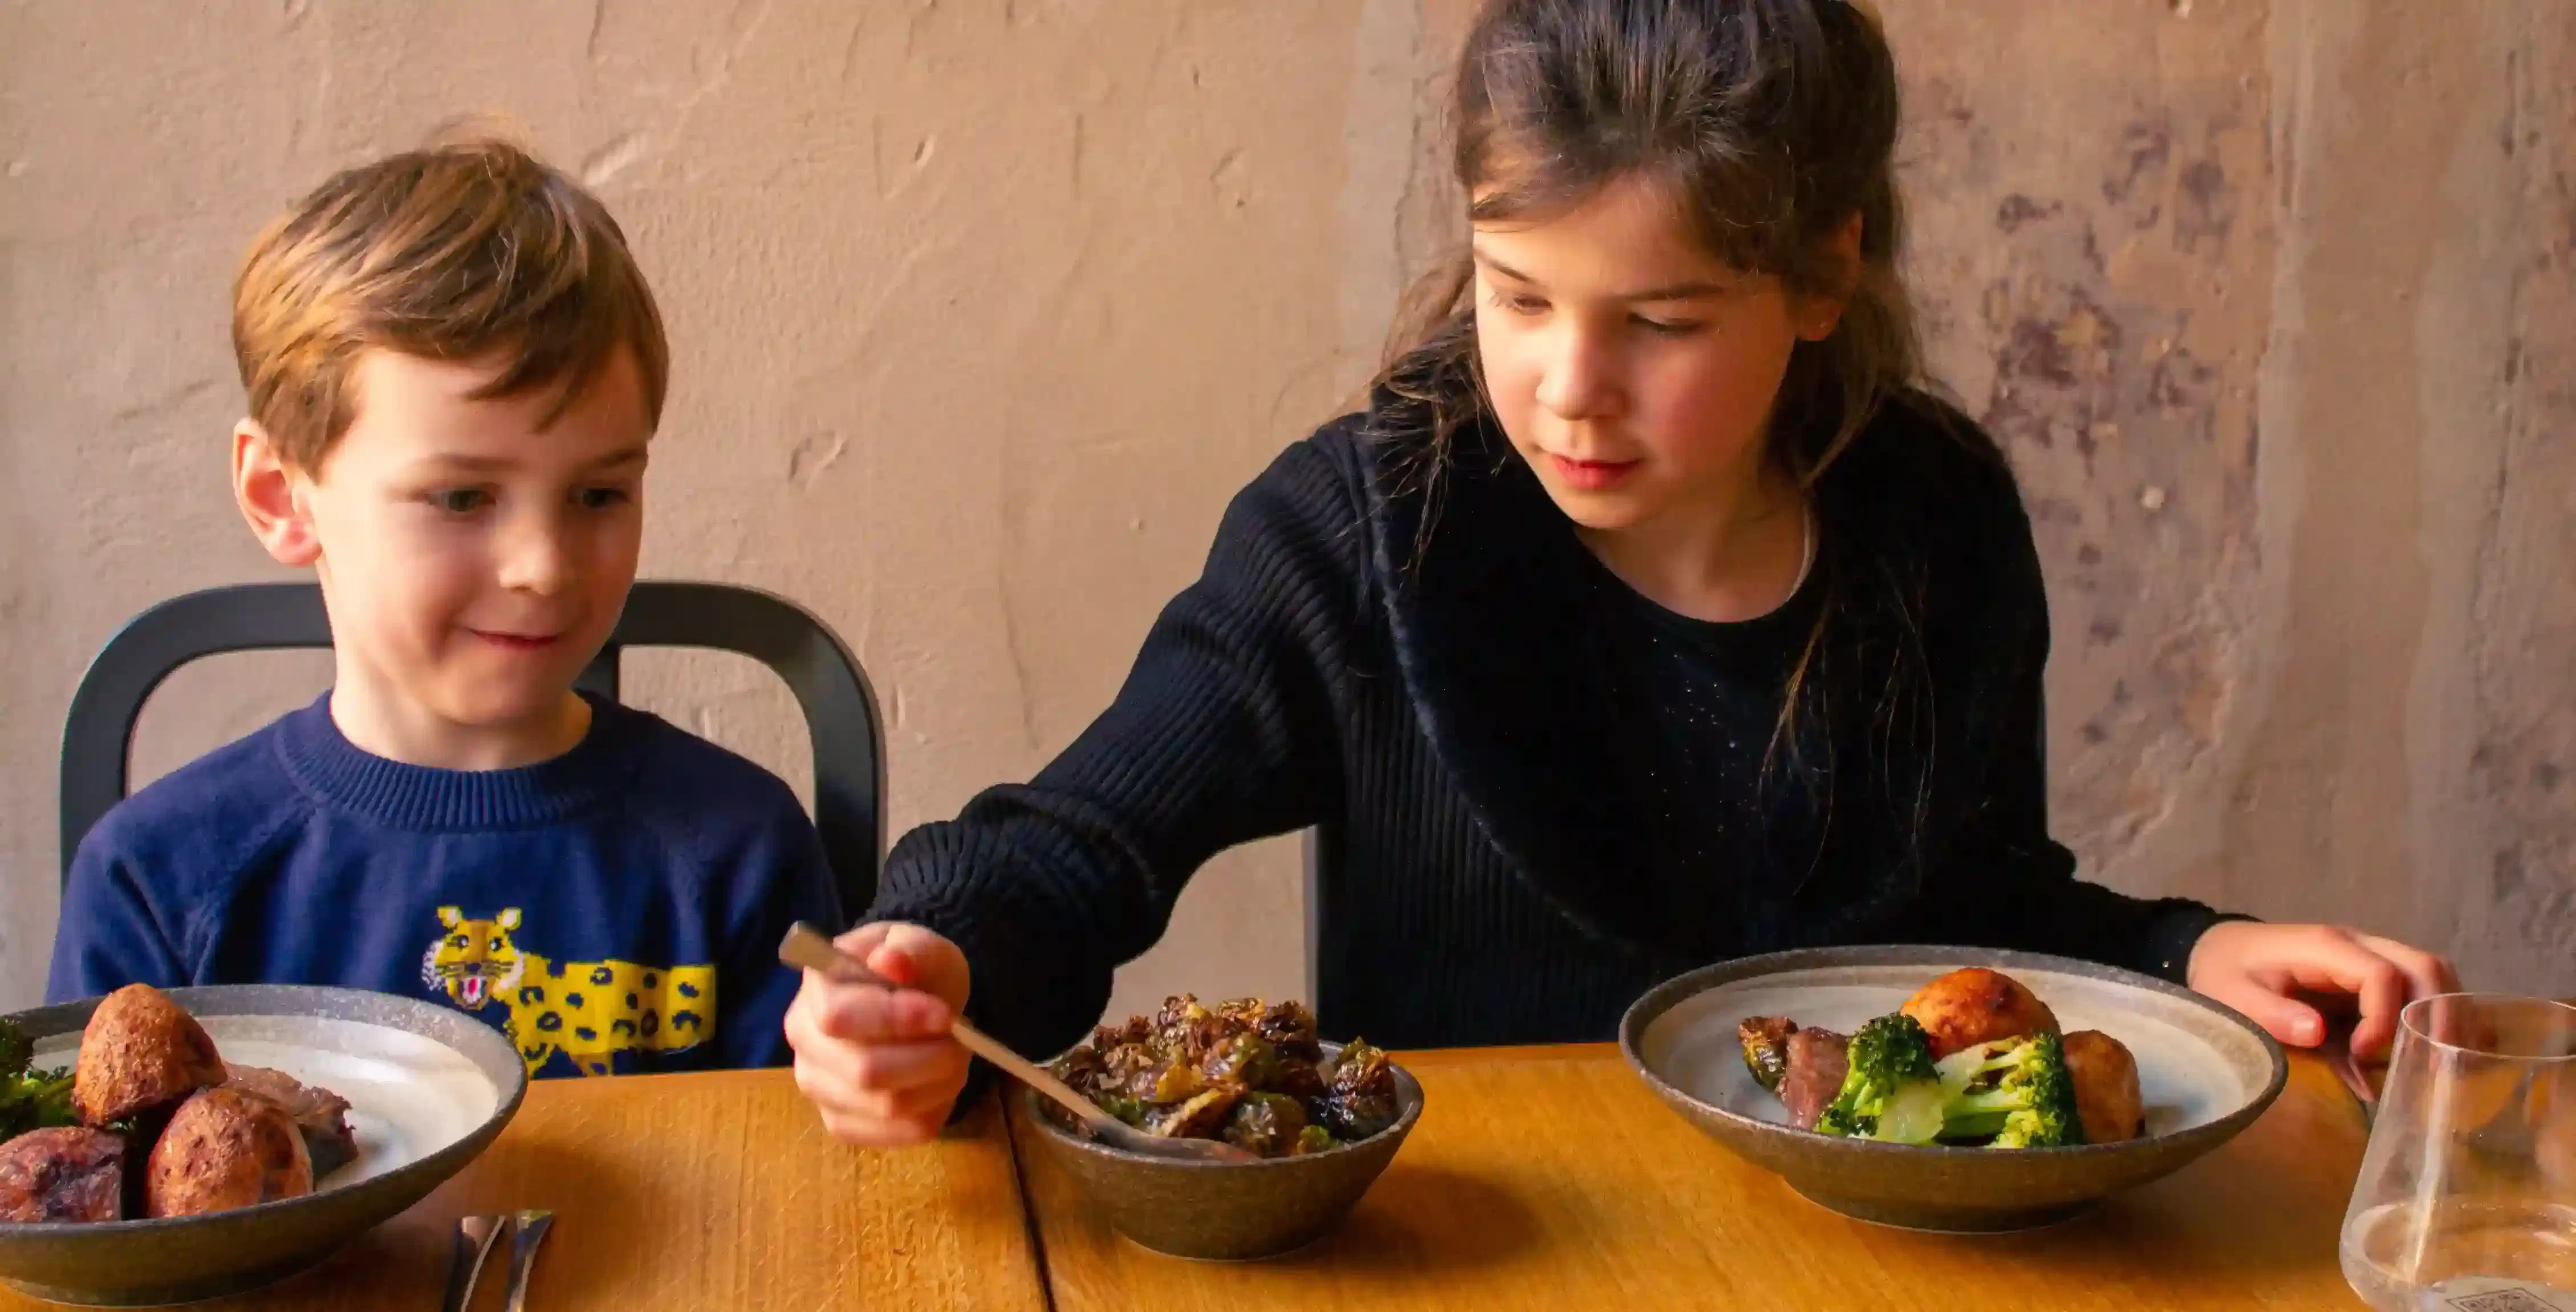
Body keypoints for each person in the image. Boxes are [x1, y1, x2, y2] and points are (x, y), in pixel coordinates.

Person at [786, 0, 2457, 1146]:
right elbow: (1077, 848)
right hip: (1479, 1263)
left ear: (1819, 278)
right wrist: (932, 953)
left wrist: (2180, 953)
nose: (1566, 386)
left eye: (1658, 322)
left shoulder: (1934, 523)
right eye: (1515, 295)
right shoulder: (1363, 527)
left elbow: (1971, 925)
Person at [48, 133, 841, 1079]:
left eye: (598, 495)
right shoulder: (161, 878)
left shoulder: (737, 850)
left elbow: (807, 1198)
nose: (544, 567)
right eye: (462, 498)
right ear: (280, 494)